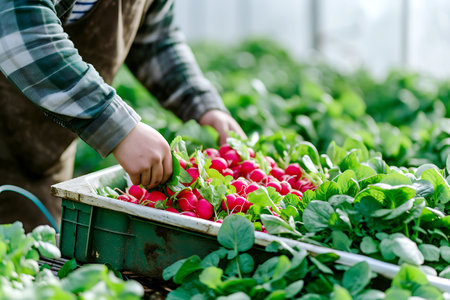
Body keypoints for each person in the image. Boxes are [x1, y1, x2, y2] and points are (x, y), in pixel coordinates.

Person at [0, 0, 245, 232]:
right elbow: (24, 34)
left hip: (40, 149)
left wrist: (202, 105)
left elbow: (157, 40)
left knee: (25, 258)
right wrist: (117, 127)